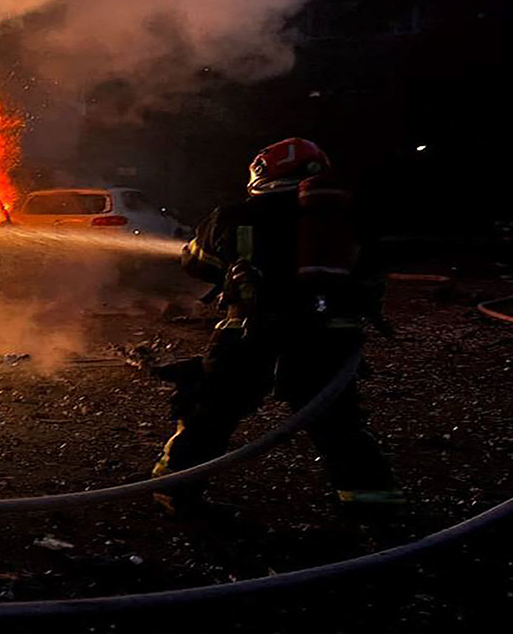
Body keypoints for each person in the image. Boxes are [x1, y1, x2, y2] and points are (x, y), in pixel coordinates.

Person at [151, 137, 403, 517]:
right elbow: (371, 269)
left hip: (247, 332)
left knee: (212, 413)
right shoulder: (342, 216)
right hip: (326, 335)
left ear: (261, 173)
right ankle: (374, 507)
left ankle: (175, 490)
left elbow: (198, 263)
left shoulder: (234, 216)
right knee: (337, 423)